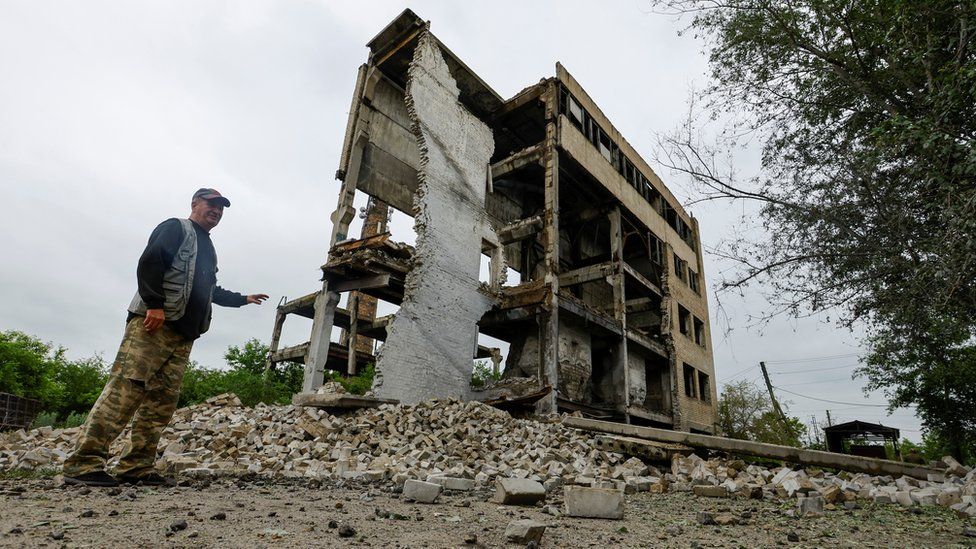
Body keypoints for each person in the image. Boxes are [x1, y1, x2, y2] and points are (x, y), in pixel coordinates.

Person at [62, 188, 269, 487]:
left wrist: (243, 298)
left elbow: (208, 290)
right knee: (126, 390)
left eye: (222, 207)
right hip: (153, 325)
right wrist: (155, 305)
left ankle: (135, 468)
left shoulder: (208, 247)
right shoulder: (176, 228)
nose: (217, 211)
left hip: (183, 335)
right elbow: (150, 262)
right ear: (195, 203)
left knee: (161, 403)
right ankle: (82, 464)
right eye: (212, 204)